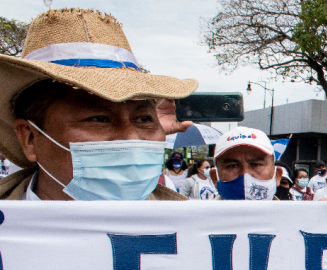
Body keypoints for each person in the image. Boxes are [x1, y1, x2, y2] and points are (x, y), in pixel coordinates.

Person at [0, 7, 197, 202]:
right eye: (99, 119)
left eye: (144, 119)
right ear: (29, 138)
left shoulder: (194, 229)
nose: (130, 137)